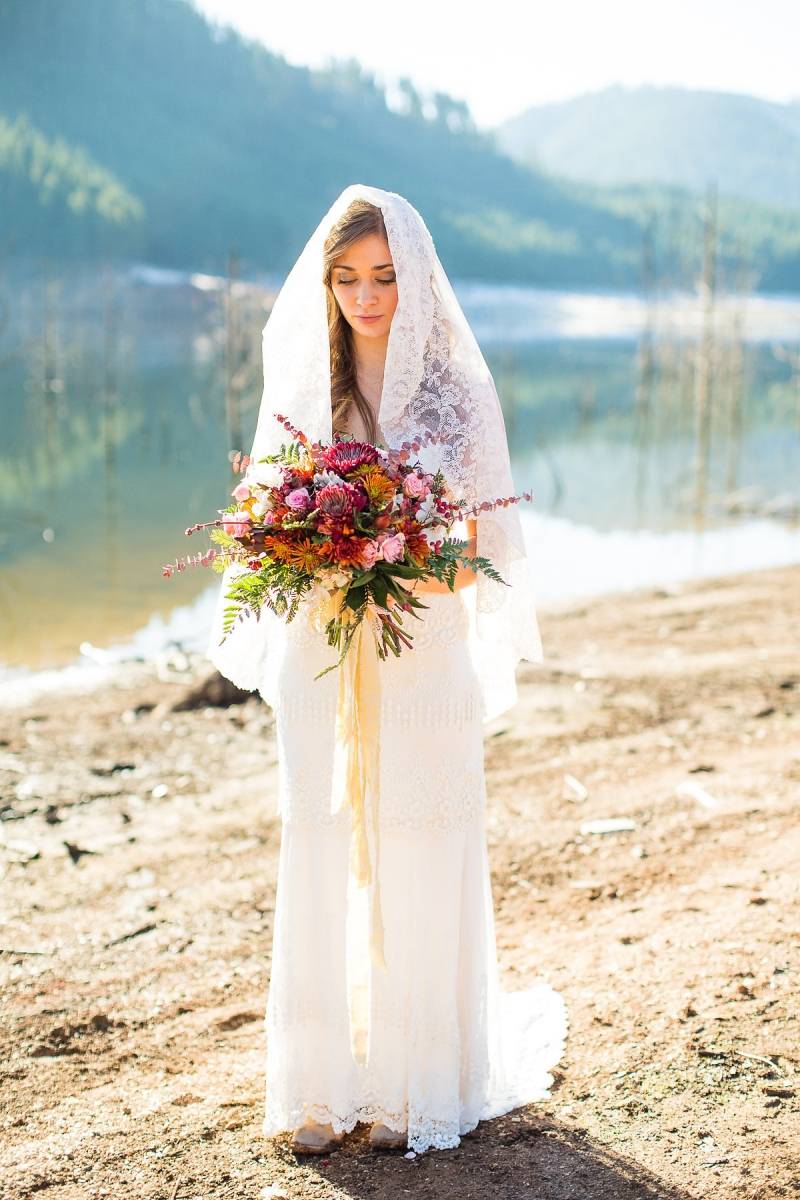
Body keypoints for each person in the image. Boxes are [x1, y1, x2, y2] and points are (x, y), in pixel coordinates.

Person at [206, 184, 569, 1156]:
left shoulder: (458, 392)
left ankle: (417, 1085)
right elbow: (263, 529)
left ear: (415, 277)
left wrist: (399, 550)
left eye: (385, 276)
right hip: (321, 653)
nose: (366, 296)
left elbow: (488, 550)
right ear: (325, 282)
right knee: (319, 841)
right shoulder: (302, 389)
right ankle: (320, 1089)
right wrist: (309, 550)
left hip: (422, 647)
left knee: (416, 841)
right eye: (348, 276)